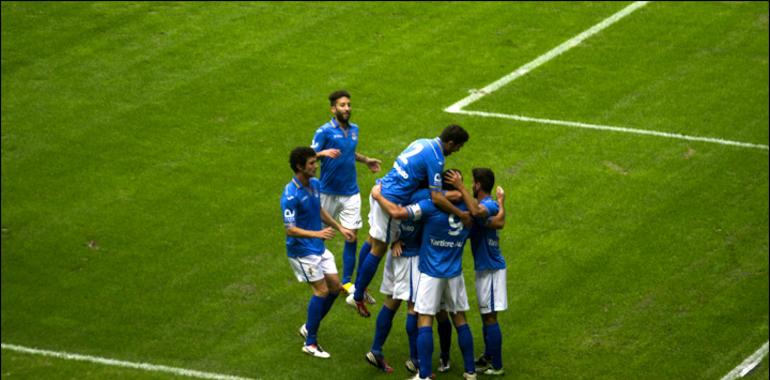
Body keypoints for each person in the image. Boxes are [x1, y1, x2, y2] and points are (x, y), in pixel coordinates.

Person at [347, 125, 471, 318]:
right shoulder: (437, 158)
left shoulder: (423, 141)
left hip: (382, 186)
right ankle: (357, 296)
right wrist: (460, 213)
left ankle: (359, 288)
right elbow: (436, 198)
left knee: (372, 240)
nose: (457, 151)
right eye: (458, 147)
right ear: (450, 143)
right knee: (378, 248)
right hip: (389, 200)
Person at [364, 184, 462, 374]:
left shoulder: (401, 189)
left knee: (391, 302)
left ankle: (376, 349)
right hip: (410, 257)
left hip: (398, 254)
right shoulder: (426, 195)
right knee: (413, 307)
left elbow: (392, 214)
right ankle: (415, 360)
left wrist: (394, 238)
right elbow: (454, 195)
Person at [281, 147, 356, 358]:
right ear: (299, 166)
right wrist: (317, 233)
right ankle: (310, 343)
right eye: (312, 163)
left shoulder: (314, 184)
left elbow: (319, 210)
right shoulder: (290, 195)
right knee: (321, 291)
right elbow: (290, 229)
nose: (316, 166)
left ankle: (309, 326)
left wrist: (340, 228)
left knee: (334, 288)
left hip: (317, 247)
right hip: (301, 251)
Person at [311, 90, 382, 299]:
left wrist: (366, 160)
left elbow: (350, 152)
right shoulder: (323, 132)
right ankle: (317, 275)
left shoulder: (354, 130)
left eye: (348, 105)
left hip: (351, 192)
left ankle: (346, 282)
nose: (347, 108)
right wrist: (323, 153)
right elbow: (308, 155)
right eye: (342, 105)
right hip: (327, 192)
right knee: (319, 236)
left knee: (351, 236)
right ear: (333, 109)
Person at [411, 169, 478, 380]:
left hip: (431, 272)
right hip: (454, 272)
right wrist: (462, 190)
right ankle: (470, 371)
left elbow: (407, 207)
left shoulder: (431, 207)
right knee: (460, 319)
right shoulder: (471, 212)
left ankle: (424, 375)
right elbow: (478, 212)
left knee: (425, 319)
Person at [445, 168, 507, 376]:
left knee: (490, 317)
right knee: (486, 315)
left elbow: (482, 214)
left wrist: (460, 188)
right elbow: (496, 221)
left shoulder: (488, 204)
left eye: (472, 183)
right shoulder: (488, 205)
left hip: (491, 268)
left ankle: (497, 366)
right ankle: (488, 357)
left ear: (478, 185)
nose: (471, 185)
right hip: (486, 267)